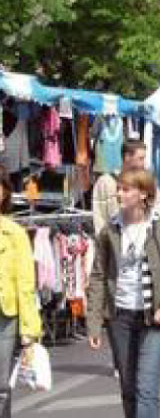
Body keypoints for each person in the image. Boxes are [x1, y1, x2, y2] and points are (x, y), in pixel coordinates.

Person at [87, 169, 160, 418]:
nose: (119, 193)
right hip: (120, 318)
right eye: (119, 188)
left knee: (145, 388)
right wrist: (94, 322)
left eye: (126, 189)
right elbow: (98, 277)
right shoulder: (110, 230)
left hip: (154, 318)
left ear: (143, 194)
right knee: (128, 389)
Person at [0, 165, 43, 418]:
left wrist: (29, 331)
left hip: (5, 316)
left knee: (2, 386)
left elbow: (26, 286)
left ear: (5, 192)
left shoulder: (14, 233)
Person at [92, 139, 146, 235]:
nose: (143, 163)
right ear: (127, 157)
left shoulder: (144, 181)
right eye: (141, 158)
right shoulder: (105, 182)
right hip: (115, 242)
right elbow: (99, 216)